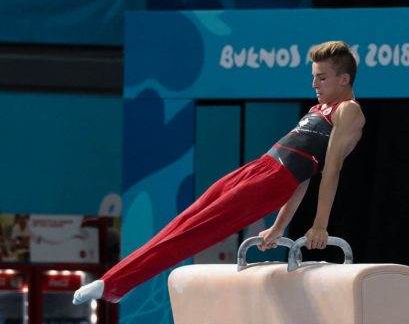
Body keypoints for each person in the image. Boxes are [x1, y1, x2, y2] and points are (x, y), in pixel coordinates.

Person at [73, 40, 365, 304]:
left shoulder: (348, 112)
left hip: (271, 182)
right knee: (184, 222)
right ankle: (116, 285)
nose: (314, 83)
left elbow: (330, 171)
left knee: (196, 231)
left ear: (344, 79)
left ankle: (114, 284)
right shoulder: (318, 109)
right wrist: (279, 227)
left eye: (322, 77)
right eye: (313, 76)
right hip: (257, 168)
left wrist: (320, 225)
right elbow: (305, 177)